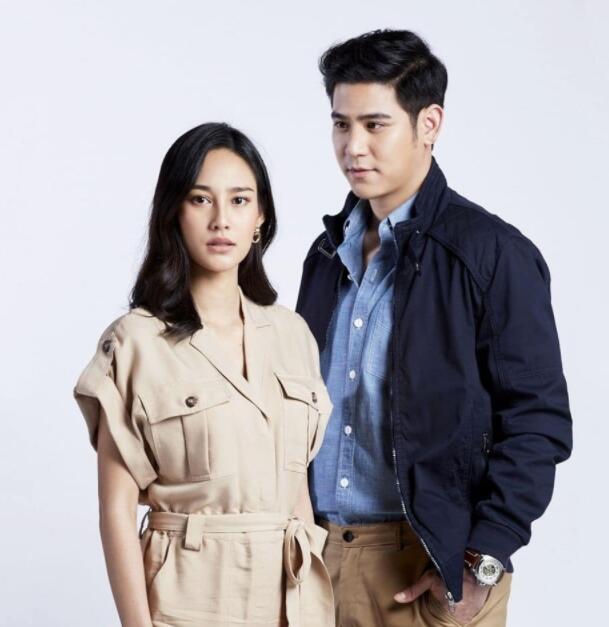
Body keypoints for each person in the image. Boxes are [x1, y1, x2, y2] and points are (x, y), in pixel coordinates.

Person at [296, 29, 572, 627]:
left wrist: (481, 559)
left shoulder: (491, 254)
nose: (353, 147)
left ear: (429, 124)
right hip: (315, 558)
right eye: (341, 124)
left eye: (375, 124)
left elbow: (538, 420)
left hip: (431, 565)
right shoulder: (325, 256)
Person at [73, 122, 335, 627]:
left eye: (239, 201)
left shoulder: (292, 334)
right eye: (200, 199)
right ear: (174, 211)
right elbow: (116, 511)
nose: (221, 220)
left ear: (260, 217)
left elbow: (297, 494)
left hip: (292, 601)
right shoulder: (135, 342)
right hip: (188, 600)